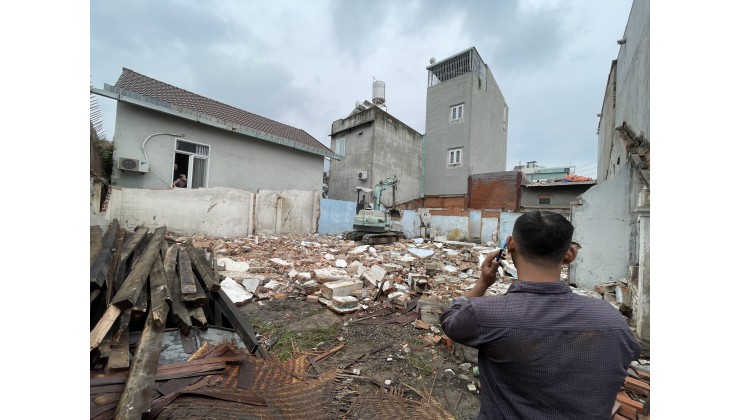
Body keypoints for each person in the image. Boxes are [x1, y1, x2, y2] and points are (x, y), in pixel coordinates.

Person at [441, 210, 640, 419]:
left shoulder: (485, 315)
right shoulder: (611, 319)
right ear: (570, 254)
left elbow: (451, 319)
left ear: (510, 245)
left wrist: (483, 282)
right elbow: (629, 354)